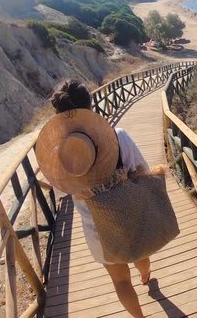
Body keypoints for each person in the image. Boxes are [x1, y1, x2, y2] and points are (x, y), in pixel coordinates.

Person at [40, 80, 151, 318]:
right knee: (141, 254)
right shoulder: (117, 136)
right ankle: (146, 275)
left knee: (120, 281)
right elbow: (142, 168)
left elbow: (61, 192)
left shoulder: (62, 156)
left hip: (97, 231)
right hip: (130, 214)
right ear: (90, 106)